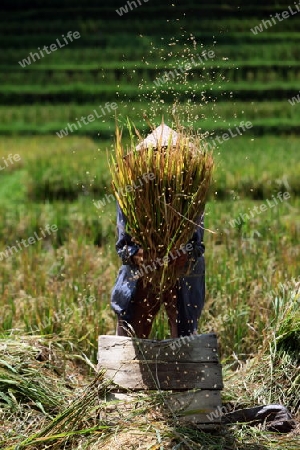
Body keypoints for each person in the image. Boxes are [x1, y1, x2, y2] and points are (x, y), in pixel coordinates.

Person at [110, 125, 206, 339]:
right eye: (158, 155)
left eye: (170, 155)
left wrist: (183, 254)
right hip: (140, 271)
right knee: (131, 332)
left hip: (182, 272)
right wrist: (140, 255)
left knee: (182, 329)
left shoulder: (191, 188)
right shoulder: (133, 189)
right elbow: (124, 246)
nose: (164, 160)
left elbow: (197, 244)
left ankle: (182, 368)